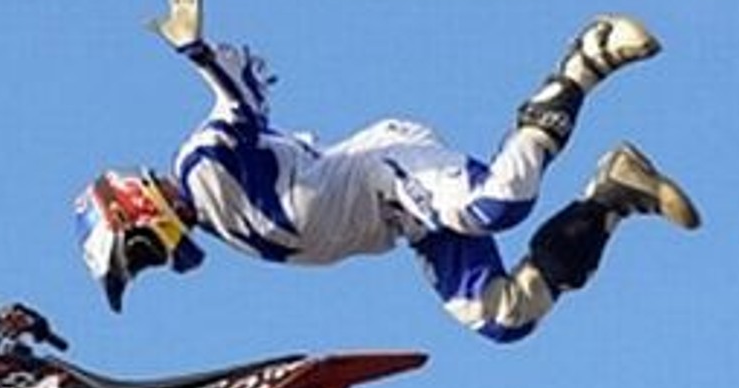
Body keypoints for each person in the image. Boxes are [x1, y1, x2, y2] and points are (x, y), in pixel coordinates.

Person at [74, 0, 700, 343]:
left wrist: (197, 50)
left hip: (386, 169)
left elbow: (242, 104)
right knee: (504, 316)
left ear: (132, 209)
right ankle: (613, 195)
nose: (157, 258)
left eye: (141, 251)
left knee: (498, 203)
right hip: (404, 221)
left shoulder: (201, 164)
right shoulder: (217, 219)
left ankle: (587, 58)